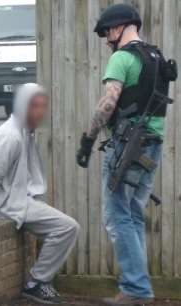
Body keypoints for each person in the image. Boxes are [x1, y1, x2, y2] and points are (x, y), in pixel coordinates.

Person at [76, 4, 177, 306]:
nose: (107, 40)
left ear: (119, 27)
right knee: (132, 213)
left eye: (107, 33)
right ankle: (138, 287)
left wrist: (87, 140)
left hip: (128, 145)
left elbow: (108, 104)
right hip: (152, 144)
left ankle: (135, 288)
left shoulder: (122, 57)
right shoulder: (156, 57)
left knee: (117, 215)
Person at [0, 83, 80, 305]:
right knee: (67, 227)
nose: (40, 112)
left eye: (43, 106)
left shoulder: (22, 131)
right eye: (35, 106)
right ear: (23, 106)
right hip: (8, 205)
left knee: (64, 226)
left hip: (19, 200)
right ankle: (35, 283)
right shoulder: (11, 136)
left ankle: (38, 280)